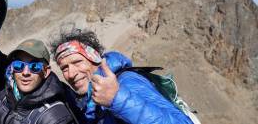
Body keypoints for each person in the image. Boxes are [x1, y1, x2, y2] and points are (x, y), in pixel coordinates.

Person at [49, 29, 193, 124]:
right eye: (64, 68)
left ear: (95, 58)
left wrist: (117, 98)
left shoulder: (127, 82)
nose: (71, 73)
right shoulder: (90, 96)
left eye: (77, 62)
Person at [0, 39, 76, 124]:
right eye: (19, 65)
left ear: (45, 72)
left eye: (35, 67)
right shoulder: (4, 94)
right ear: (12, 68)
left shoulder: (54, 117)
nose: (25, 73)